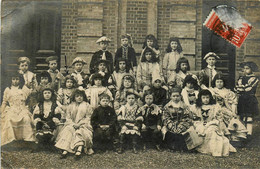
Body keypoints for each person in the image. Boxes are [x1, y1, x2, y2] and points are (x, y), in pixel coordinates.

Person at [190, 89, 236, 157]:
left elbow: (219, 119)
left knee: (212, 131)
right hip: (200, 124)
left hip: (212, 123)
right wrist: (201, 124)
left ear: (210, 98)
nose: (206, 99)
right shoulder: (196, 107)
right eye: (204, 98)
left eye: (207, 97)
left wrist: (223, 130)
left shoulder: (215, 106)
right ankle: (206, 148)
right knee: (202, 130)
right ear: (200, 98)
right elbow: (195, 119)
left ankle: (215, 151)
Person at [55, 89, 94, 159]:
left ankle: (79, 149)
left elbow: (88, 117)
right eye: (77, 96)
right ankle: (65, 150)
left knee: (81, 132)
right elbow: (68, 118)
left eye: (81, 96)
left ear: (83, 97)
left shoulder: (87, 105)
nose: (79, 98)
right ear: (74, 97)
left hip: (84, 124)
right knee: (68, 130)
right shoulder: (70, 106)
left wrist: (79, 124)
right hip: (72, 124)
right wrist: (73, 124)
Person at [1, 72, 35, 146]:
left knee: (26, 118)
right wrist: (1, 111)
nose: (15, 81)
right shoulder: (7, 89)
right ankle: (11, 140)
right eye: (13, 79)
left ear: (20, 80)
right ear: (10, 80)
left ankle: (28, 140)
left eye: (17, 79)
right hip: (12, 109)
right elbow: (4, 102)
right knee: (8, 119)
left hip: (22, 109)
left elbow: (30, 99)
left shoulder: (24, 89)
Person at [162, 87, 192, 152]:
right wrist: (172, 127)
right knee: (167, 132)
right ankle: (171, 146)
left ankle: (181, 147)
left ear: (180, 96)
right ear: (171, 97)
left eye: (177, 96)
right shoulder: (167, 106)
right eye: (174, 96)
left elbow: (187, 117)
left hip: (182, 124)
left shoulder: (184, 106)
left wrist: (181, 127)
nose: (176, 98)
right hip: (171, 125)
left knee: (185, 133)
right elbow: (165, 118)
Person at [235, 61, 259, 138]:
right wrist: (241, 88)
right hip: (242, 99)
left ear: (252, 69)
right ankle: (242, 133)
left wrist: (241, 88)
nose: (245, 70)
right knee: (241, 116)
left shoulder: (254, 79)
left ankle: (249, 134)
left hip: (250, 99)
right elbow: (236, 88)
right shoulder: (241, 78)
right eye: (244, 69)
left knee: (249, 116)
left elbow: (248, 88)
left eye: (247, 68)